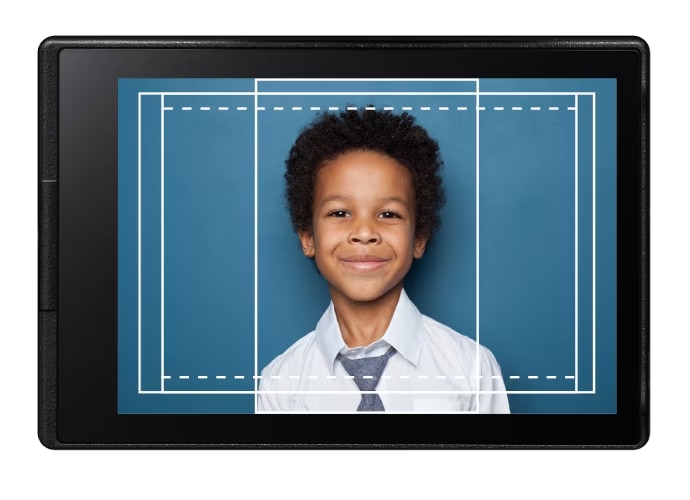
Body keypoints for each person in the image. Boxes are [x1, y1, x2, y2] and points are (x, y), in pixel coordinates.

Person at [258, 108, 509, 413]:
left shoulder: (472, 370)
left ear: (419, 238)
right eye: (340, 213)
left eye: (388, 214)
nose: (364, 233)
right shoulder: (281, 383)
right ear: (307, 237)